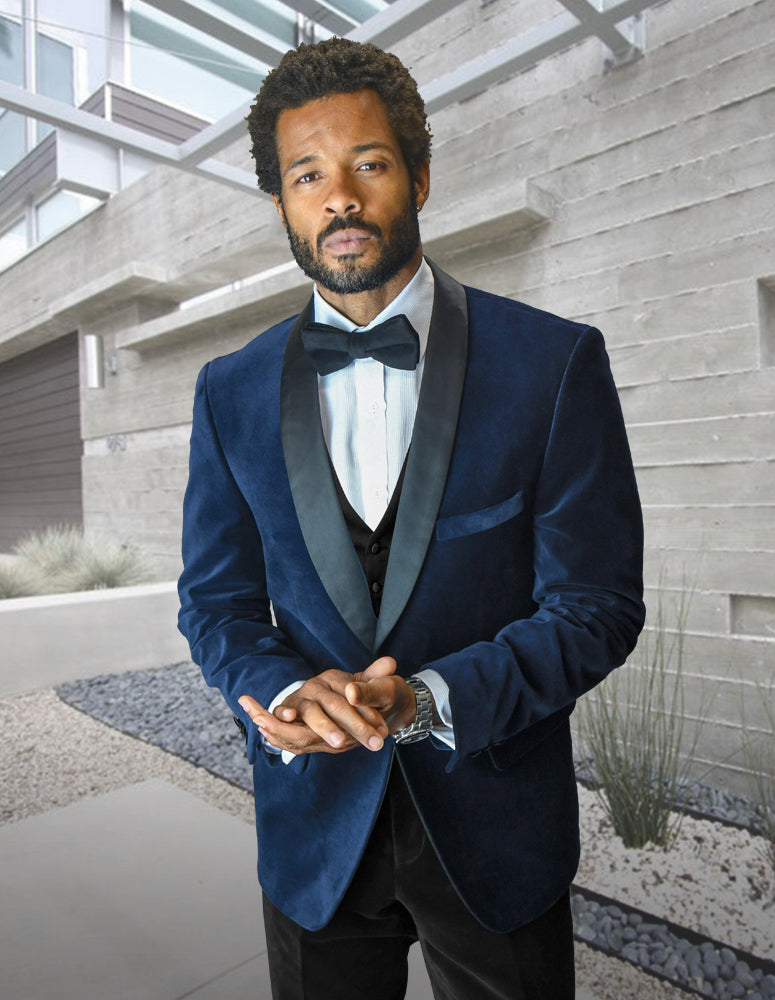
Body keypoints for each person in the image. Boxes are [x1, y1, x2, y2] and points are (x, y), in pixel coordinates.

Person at [178, 36, 644, 1000]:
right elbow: (216, 603)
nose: (338, 198)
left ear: (419, 178)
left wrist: (424, 700)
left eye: (369, 164)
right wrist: (284, 694)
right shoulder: (228, 391)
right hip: (312, 834)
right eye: (307, 175)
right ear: (281, 203)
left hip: (494, 825)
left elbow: (596, 605)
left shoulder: (553, 364)